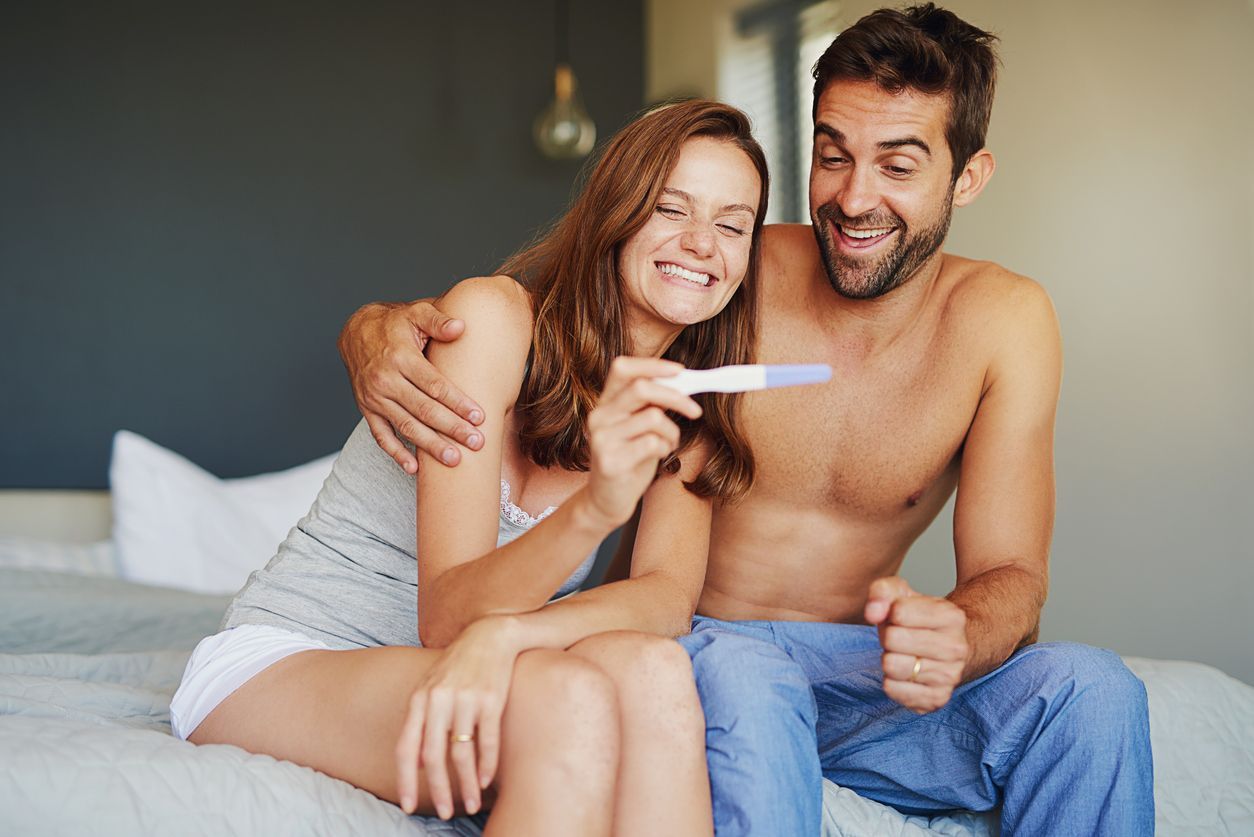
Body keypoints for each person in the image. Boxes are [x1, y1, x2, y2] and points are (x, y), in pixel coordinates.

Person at [336, 5, 1154, 836]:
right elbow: (562, 304)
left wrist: (961, 631)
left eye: (898, 166)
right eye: (833, 156)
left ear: (968, 177)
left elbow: (1013, 572)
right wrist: (374, 328)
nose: (854, 196)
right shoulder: (731, 267)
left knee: (1094, 691)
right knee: (754, 677)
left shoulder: (1007, 323)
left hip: (865, 678)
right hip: (712, 649)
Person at [169, 99, 771, 837]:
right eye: (671, 209)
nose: (702, 243)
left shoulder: (691, 402)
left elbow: (663, 599)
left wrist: (512, 636)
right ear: (617, 214)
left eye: (732, 225)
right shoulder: (493, 321)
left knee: (656, 672)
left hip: (466, 662)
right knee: (569, 701)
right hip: (293, 660)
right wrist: (595, 509)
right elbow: (449, 617)